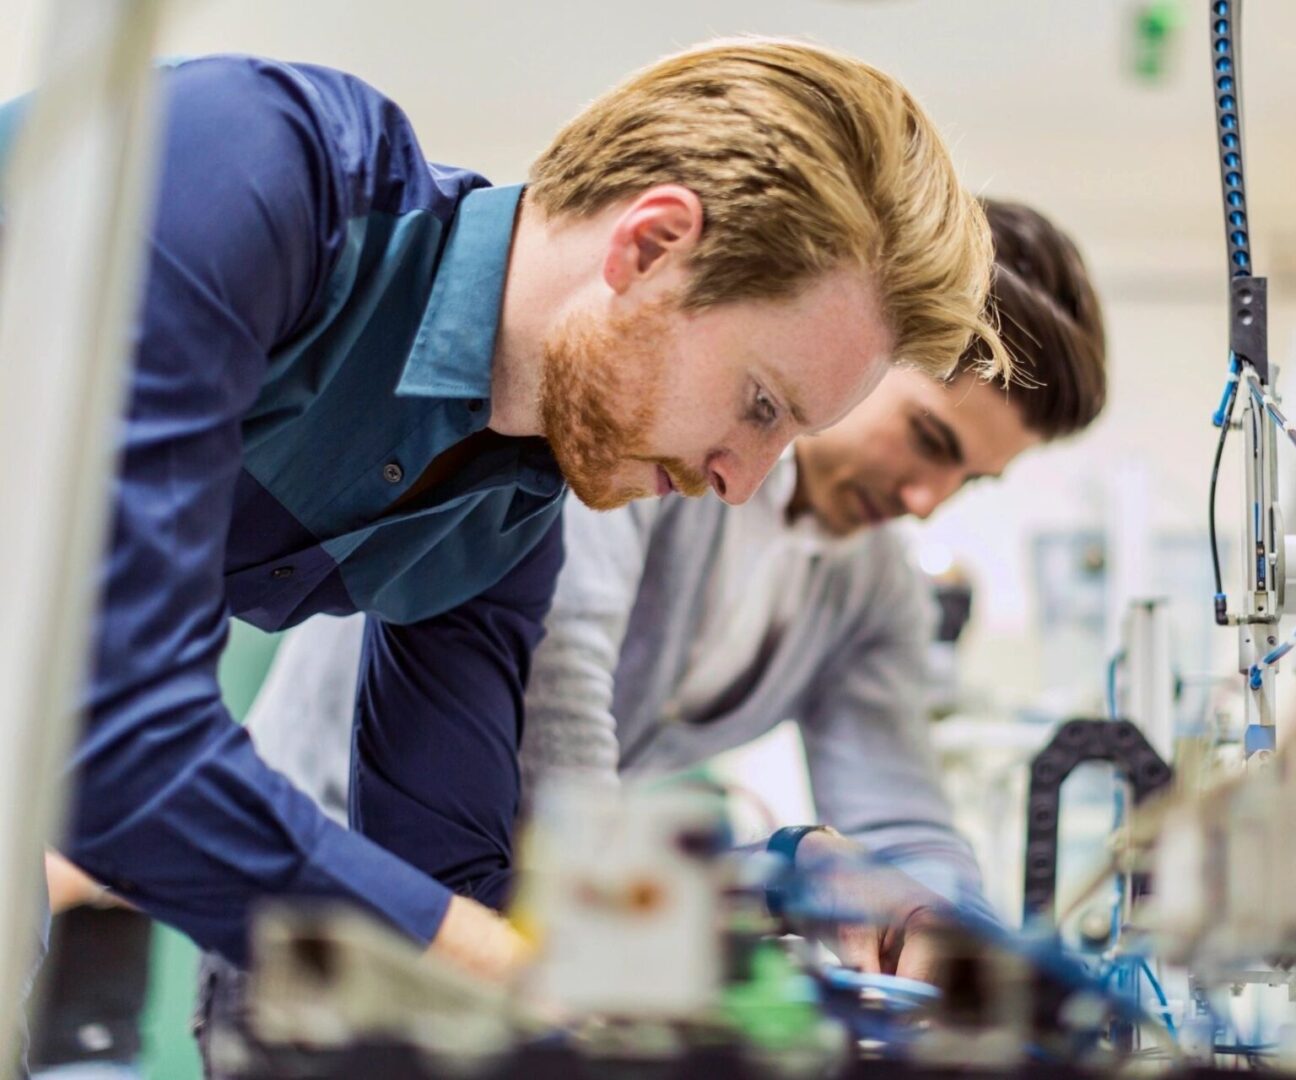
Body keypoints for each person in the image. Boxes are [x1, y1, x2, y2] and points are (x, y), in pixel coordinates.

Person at [0, 36, 1008, 1001]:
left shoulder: (505, 518)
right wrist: (502, 970)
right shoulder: (254, 169)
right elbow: (114, 737)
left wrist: (785, 884)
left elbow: (462, 888)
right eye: (759, 407)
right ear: (651, 246)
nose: (740, 482)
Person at [228, 199, 1105, 985]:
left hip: (526, 915)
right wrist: (785, 877)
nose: (927, 501)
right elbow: (557, 763)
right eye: (928, 441)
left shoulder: (872, 586)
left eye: (971, 482)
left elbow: (900, 813)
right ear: (870, 358)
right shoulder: (660, 457)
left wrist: (960, 948)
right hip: (325, 907)